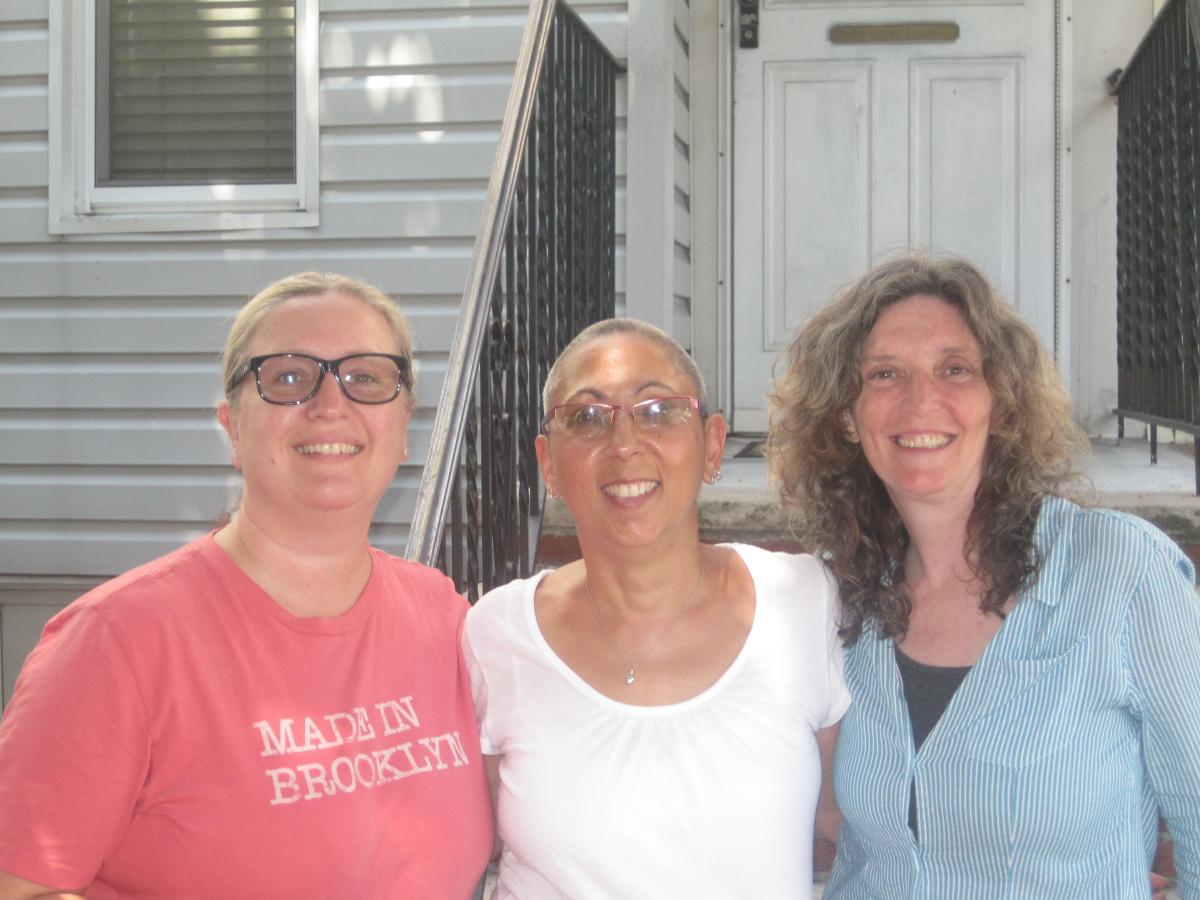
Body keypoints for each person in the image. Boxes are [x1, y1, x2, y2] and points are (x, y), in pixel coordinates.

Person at [0, 272, 493, 898]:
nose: (330, 404)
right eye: (288, 377)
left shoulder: (442, 616)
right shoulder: (116, 642)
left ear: (403, 427)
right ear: (232, 426)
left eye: (366, 377)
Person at [767, 253, 1200, 897]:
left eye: (956, 369)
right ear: (846, 418)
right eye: (884, 374)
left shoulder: (1119, 570)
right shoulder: (839, 601)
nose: (921, 402)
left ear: (1002, 403)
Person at [463, 318, 849, 898]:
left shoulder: (803, 601)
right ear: (548, 464)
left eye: (658, 410)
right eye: (587, 418)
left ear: (712, 444)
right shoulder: (495, 634)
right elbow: (464, 843)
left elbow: (850, 821)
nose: (623, 444)